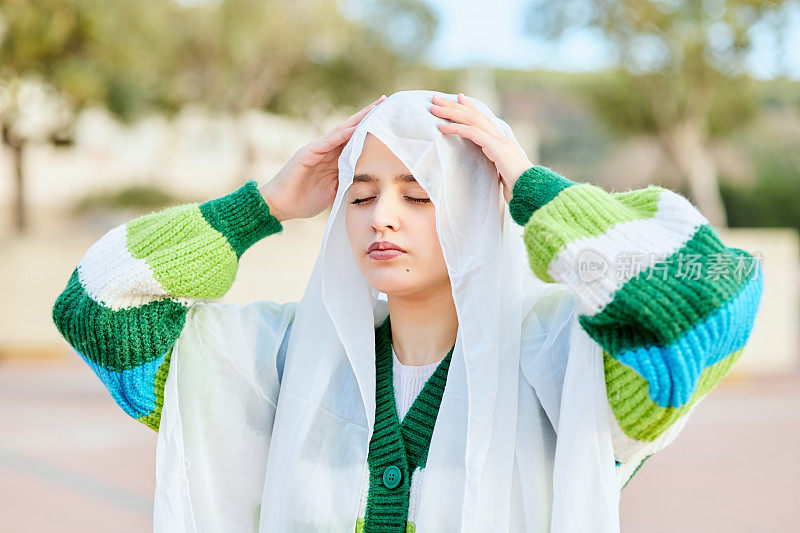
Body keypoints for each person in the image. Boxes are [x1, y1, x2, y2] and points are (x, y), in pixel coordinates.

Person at [51, 90, 763, 532]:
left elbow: (710, 296)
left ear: (482, 208)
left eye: (419, 194)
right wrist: (258, 208)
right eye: (359, 196)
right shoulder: (284, 361)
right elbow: (96, 305)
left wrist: (535, 190)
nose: (380, 218)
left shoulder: (568, 363)